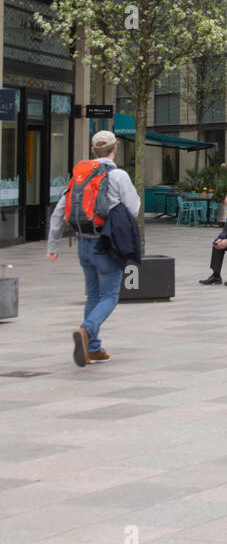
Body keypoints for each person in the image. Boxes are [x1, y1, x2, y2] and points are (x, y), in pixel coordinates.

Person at [47, 130, 141, 367]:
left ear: (92, 151)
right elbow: (134, 209)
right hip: (105, 243)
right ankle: (87, 330)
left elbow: (60, 210)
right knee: (109, 295)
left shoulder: (80, 174)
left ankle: (93, 348)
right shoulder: (118, 175)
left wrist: (53, 244)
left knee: (93, 293)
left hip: (83, 242)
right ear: (115, 148)